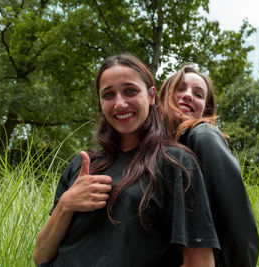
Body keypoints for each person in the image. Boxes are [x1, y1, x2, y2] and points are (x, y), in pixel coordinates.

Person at [33, 54, 220, 266]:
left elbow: (200, 261)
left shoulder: (176, 163)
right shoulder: (82, 163)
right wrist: (66, 204)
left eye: (130, 91)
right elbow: (41, 256)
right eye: (108, 94)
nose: (120, 104)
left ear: (151, 96)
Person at [159, 65, 259, 267]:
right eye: (180, 88)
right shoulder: (153, 150)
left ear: (205, 108)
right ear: (163, 94)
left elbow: (237, 224)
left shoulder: (203, 136)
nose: (187, 96)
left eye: (198, 94)